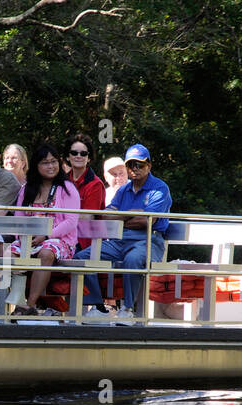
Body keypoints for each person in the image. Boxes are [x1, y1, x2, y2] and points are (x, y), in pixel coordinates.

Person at [5, 144, 80, 315]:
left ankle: (29, 305)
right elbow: (19, 218)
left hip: (60, 241)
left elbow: (71, 221)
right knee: (9, 254)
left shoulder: (67, 189)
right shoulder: (27, 189)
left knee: (46, 252)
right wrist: (23, 238)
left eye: (54, 162)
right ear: (36, 166)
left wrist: (46, 235)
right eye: (45, 163)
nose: (51, 166)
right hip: (30, 239)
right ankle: (16, 300)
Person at [100, 144, 172, 319]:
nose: (134, 169)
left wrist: (121, 216)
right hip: (121, 240)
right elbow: (107, 216)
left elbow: (146, 221)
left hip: (149, 241)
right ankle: (97, 306)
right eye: (130, 165)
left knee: (132, 259)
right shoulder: (124, 189)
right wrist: (133, 214)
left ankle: (127, 309)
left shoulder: (159, 188)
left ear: (149, 166)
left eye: (139, 164)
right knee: (82, 257)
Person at [64, 133, 108, 317]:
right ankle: (52, 304)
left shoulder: (95, 184)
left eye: (84, 153)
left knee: (73, 254)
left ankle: (98, 306)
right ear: (67, 156)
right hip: (65, 235)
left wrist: (63, 219)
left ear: (89, 158)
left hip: (88, 240)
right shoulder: (62, 181)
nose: (78, 156)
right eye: (74, 152)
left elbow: (87, 218)